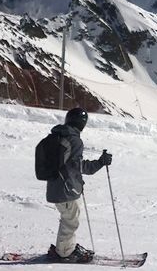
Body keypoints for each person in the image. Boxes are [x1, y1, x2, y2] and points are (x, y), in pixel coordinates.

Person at [45, 107, 113, 264]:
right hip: (66, 189)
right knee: (70, 220)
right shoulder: (73, 140)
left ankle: (66, 247)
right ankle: (64, 252)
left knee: (68, 218)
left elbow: (66, 165)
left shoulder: (57, 137)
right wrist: (100, 163)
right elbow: (77, 166)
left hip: (56, 187)